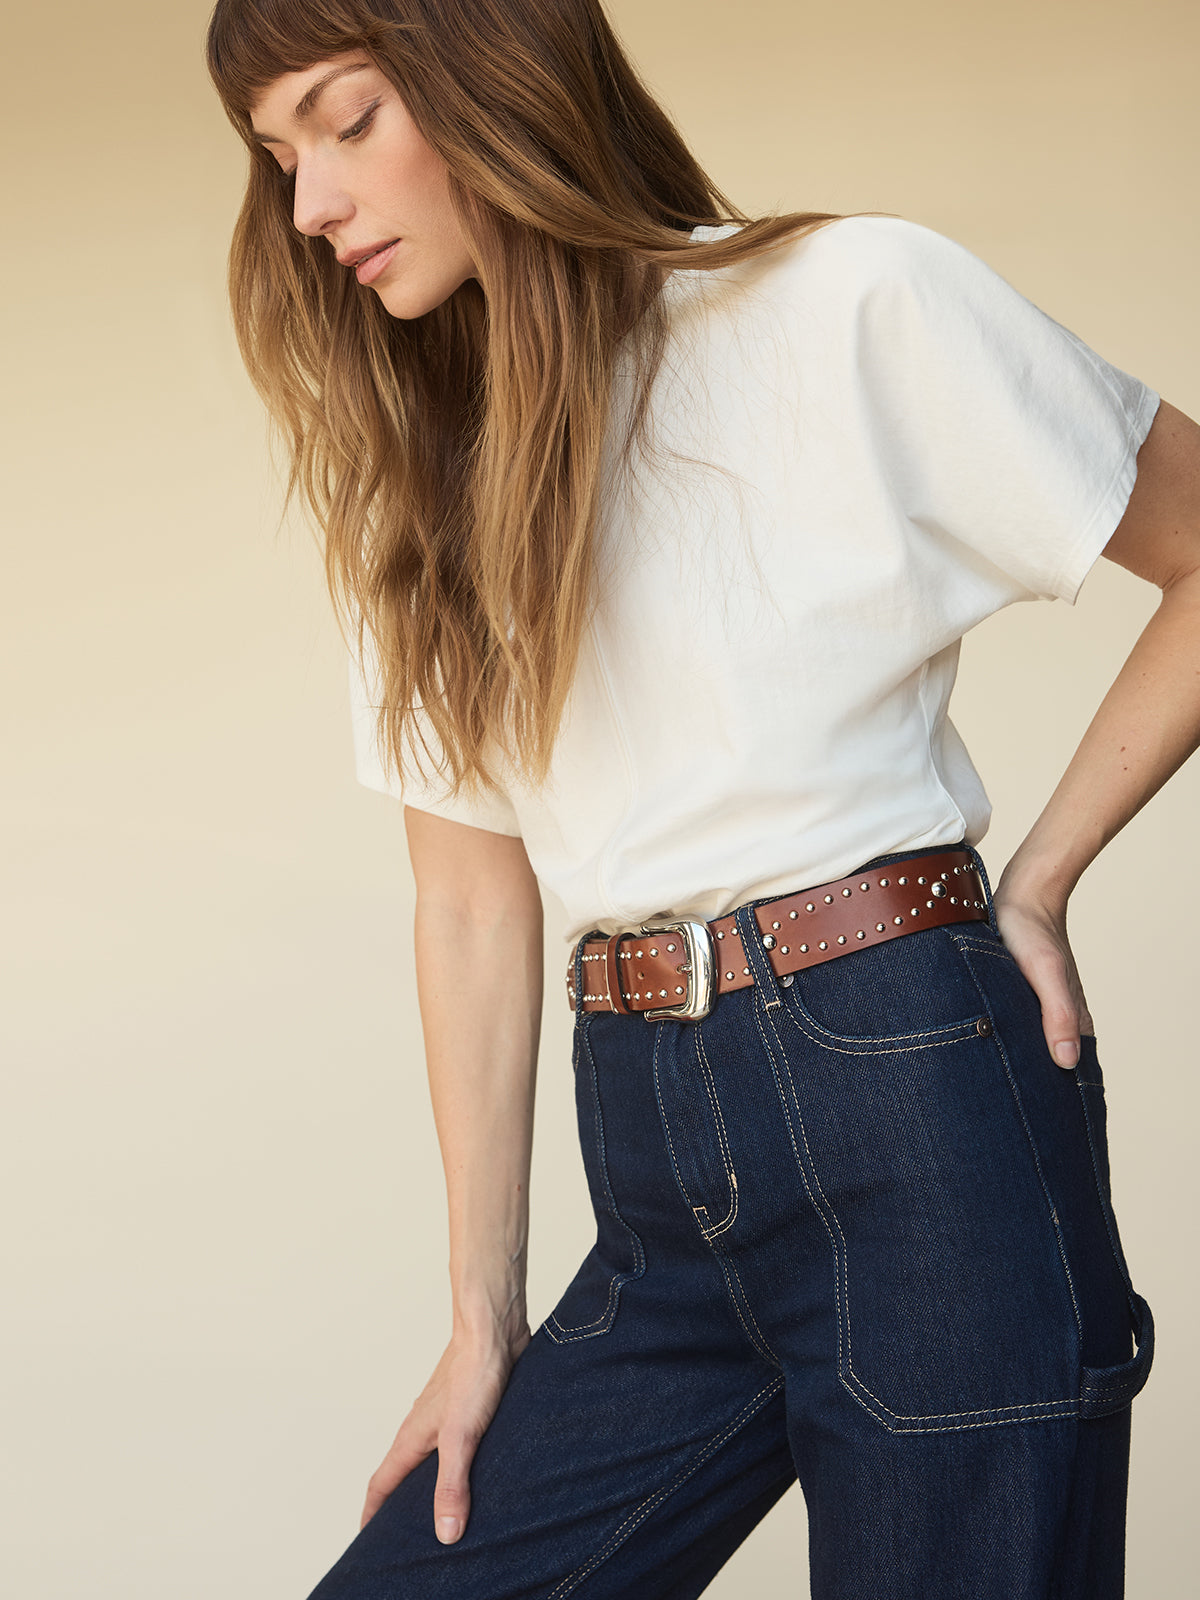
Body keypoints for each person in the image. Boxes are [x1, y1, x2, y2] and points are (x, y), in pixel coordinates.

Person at [206, 2, 1199, 1595]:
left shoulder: (848, 301)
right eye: (277, 158)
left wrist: (1038, 881)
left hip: (909, 1092)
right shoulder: (429, 468)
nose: (311, 205)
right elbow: (469, 900)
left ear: (494, 72)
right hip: (649, 1143)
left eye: (349, 119)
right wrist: (480, 1321)